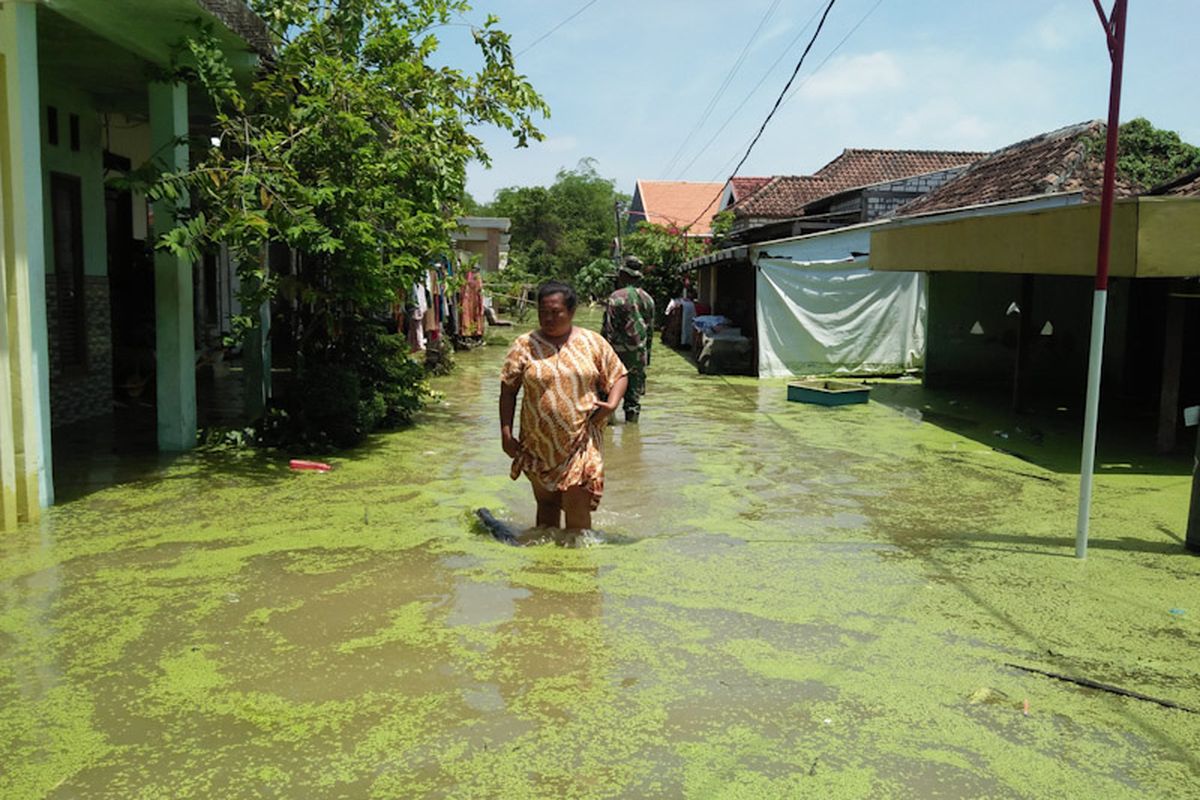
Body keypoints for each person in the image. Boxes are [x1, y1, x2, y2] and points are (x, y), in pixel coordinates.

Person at [499, 281, 629, 531]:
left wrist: (612, 404)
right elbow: (508, 390)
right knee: (546, 511)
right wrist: (506, 433)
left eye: (555, 312)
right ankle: (546, 567)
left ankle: (580, 565)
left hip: (581, 439)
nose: (548, 318)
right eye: (543, 313)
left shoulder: (593, 342)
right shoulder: (524, 345)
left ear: (571, 312)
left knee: (576, 509)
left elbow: (619, 374)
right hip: (538, 443)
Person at [601, 256, 656, 423]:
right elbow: (650, 332)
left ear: (624, 275)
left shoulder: (616, 297)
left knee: (608, 395)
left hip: (616, 355)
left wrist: (601, 359)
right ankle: (632, 433)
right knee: (633, 400)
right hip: (639, 355)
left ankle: (608, 433)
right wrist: (646, 358)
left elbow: (607, 330)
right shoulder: (648, 299)